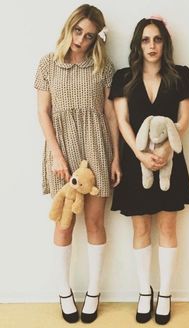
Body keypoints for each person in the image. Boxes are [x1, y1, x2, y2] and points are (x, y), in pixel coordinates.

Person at [34, 4, 121, 324]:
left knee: (96, 222)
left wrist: (115, 157)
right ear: (69, 27)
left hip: (96, 147)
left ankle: (94, 291)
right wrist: (57, 155)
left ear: (96, 38)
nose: (81, 39)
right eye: (78, 30)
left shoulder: (104, 67)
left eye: (89, 35)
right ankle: (64, 292)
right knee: (64, 222)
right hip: (63, 152)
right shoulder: (47, 64)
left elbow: (110, 115)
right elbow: (43, 112)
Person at [109, 16, 189, 325]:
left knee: (169, 229)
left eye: (157, 39)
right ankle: (145, 292)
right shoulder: (122, 77)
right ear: (138, 44)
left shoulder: (181, 75)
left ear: (165, 43)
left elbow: (184, 119)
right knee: (141, 230)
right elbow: (122, 121)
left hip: (171, 160)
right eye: (146, 40)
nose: (152, 45)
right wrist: (140, 155)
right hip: (136, 164)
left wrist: (167, 148)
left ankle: (166, 294)